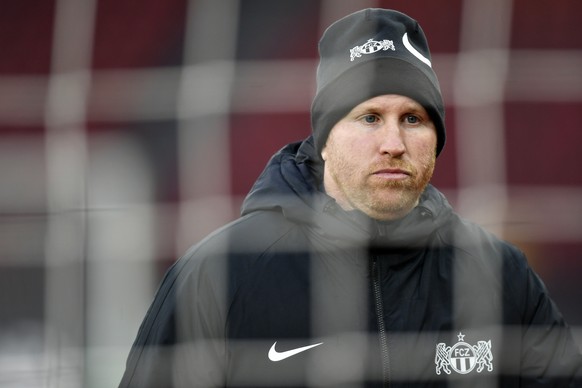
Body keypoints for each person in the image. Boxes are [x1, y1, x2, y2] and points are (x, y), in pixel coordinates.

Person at [119, 8, 582, 387]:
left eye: (414, 119)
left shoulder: (499, 273)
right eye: (369, 117)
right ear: (324, 140)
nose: (393, 143)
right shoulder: (219, 274)